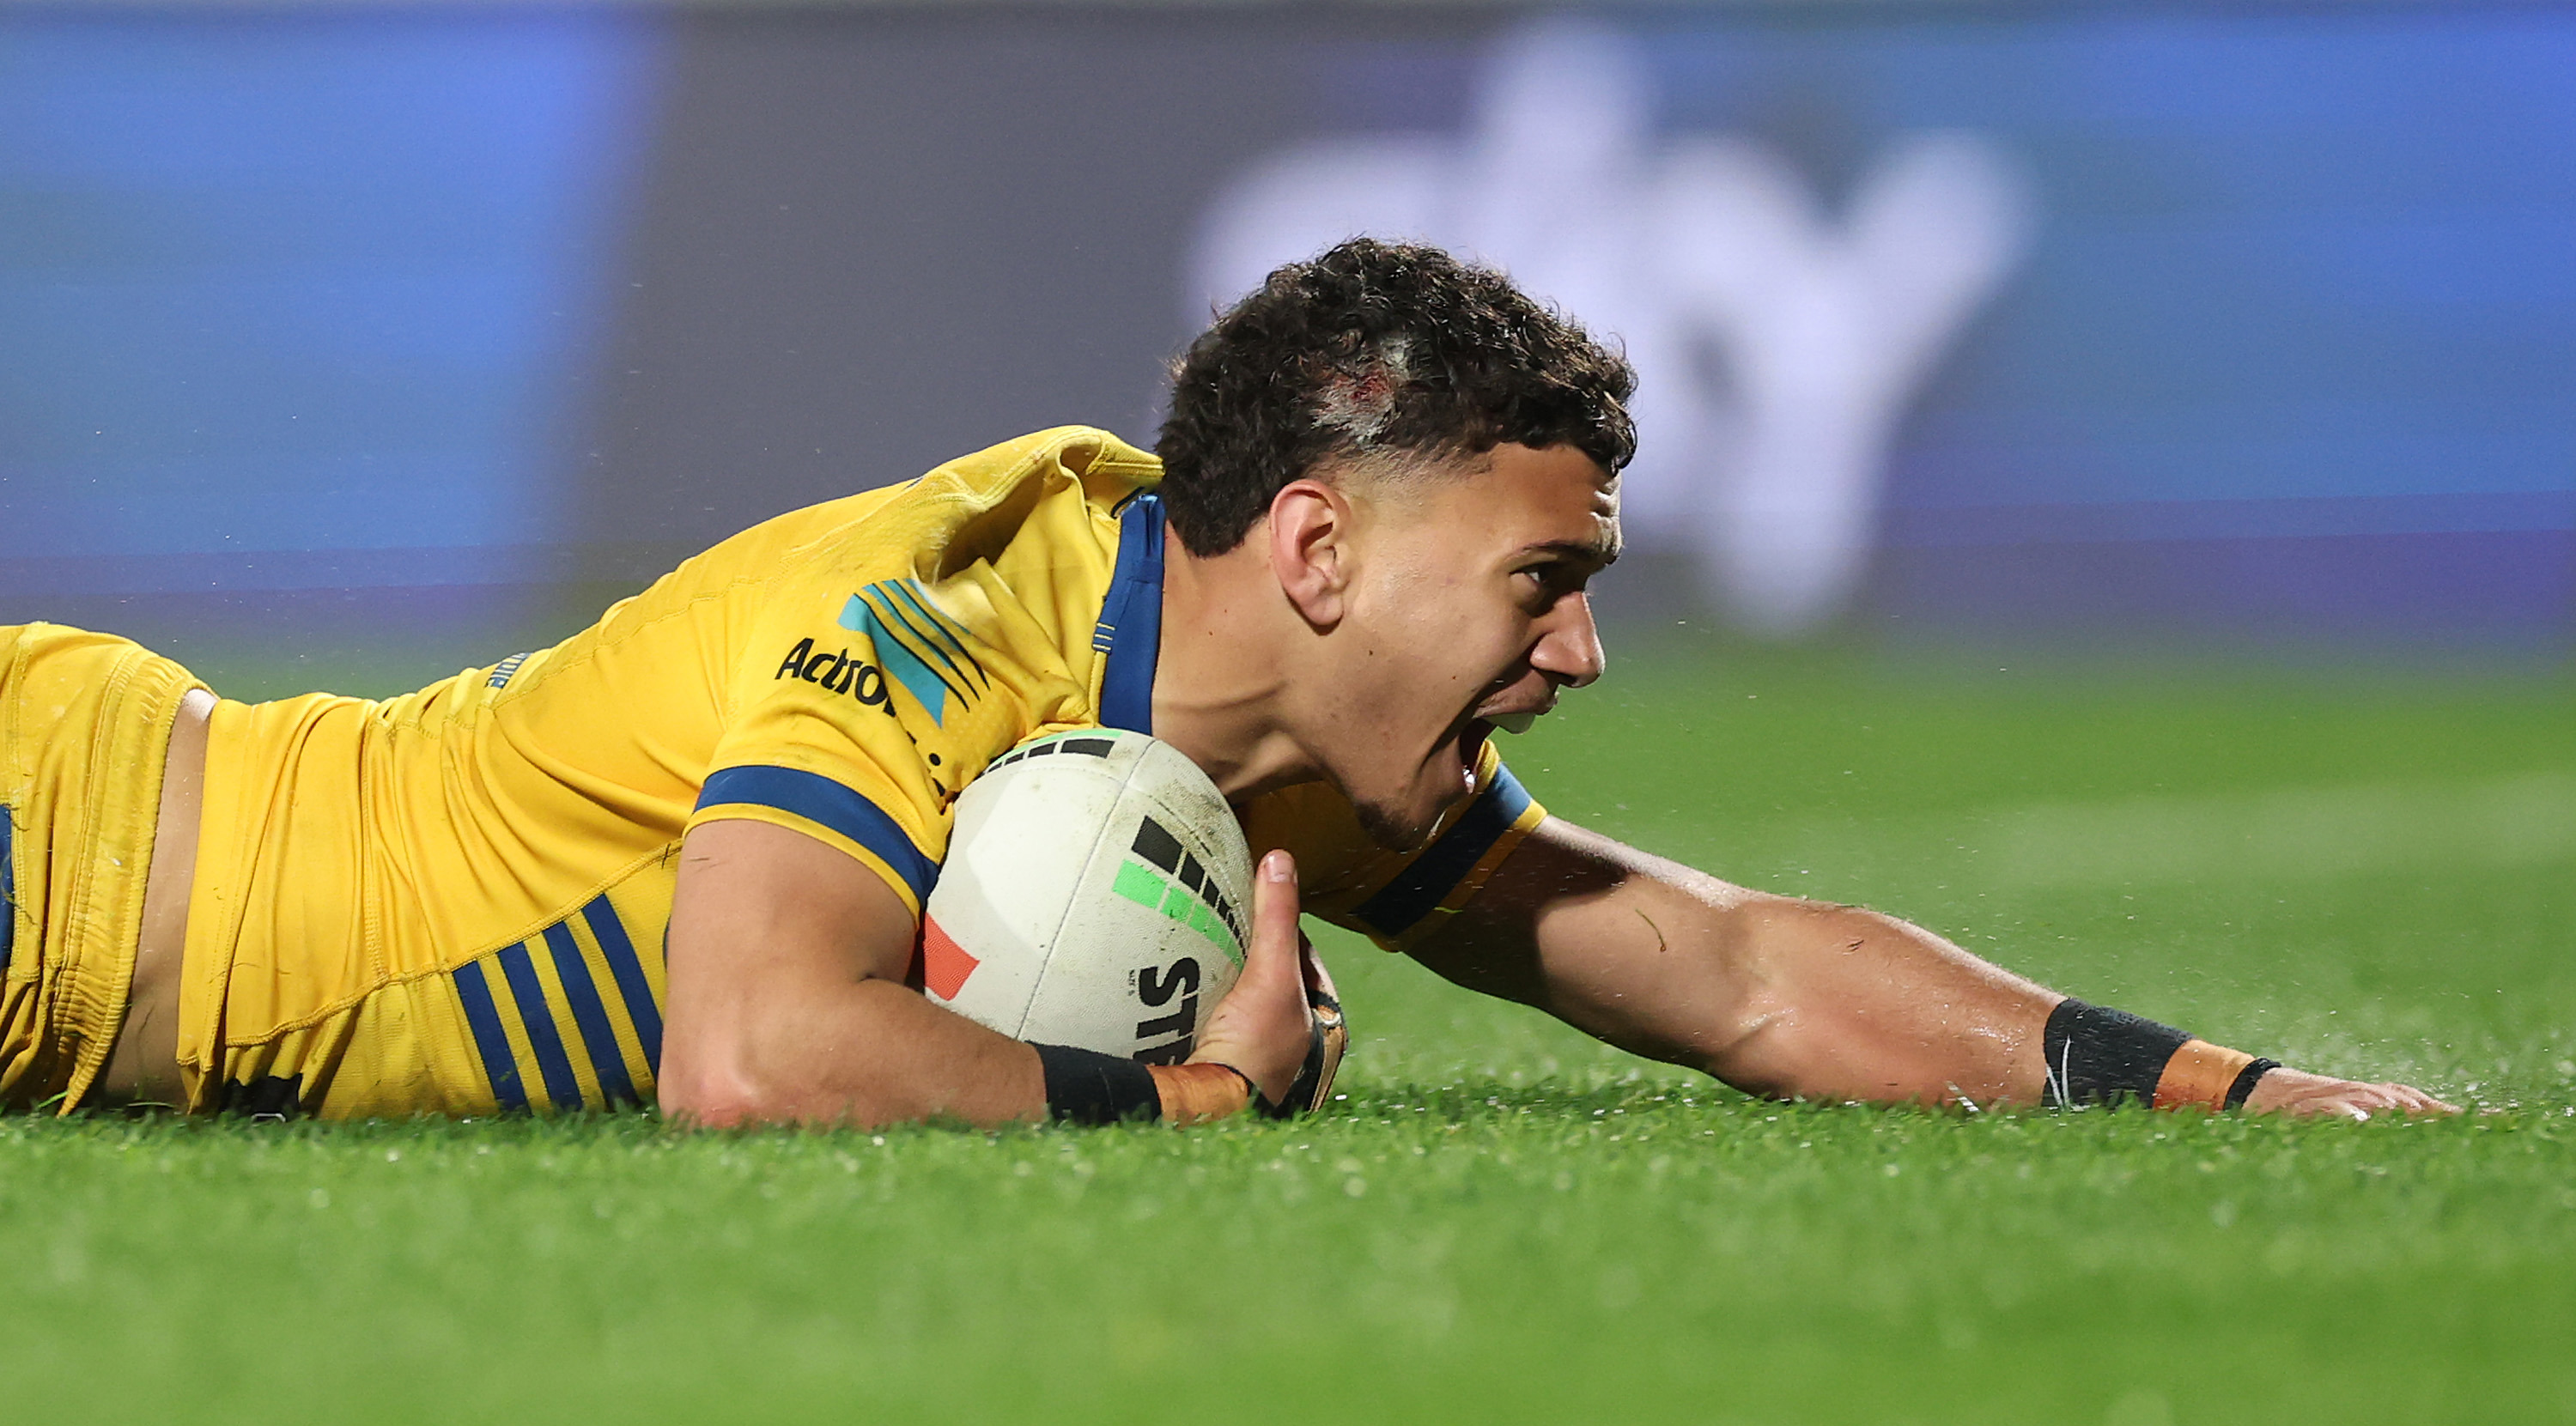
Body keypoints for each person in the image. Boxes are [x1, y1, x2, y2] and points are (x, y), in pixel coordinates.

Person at [0, 240, 2448, 1126]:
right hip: (59, 847)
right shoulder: (949, 608)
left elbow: (1722, 965)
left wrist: (2227, 1086)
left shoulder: (1285, 761)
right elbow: (749, 1053)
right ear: (1313, 548)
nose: (1581, 649)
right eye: (1541, 581)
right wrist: (1183, 1107)